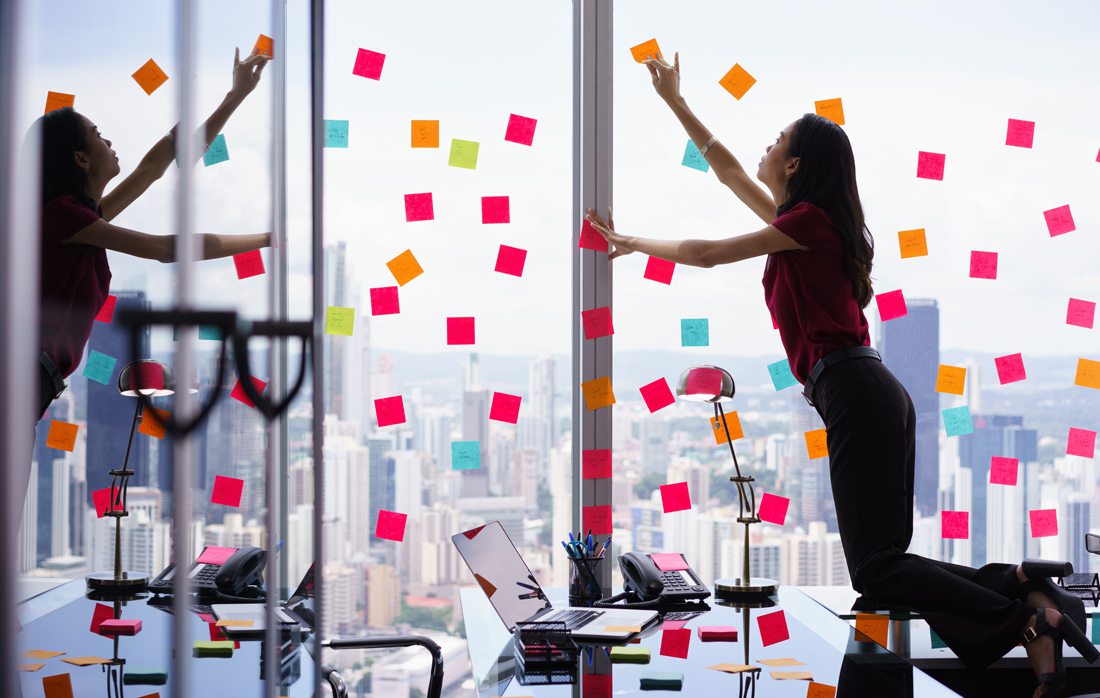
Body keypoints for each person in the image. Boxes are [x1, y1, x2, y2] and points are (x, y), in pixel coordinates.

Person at [584, 51, 1098, 697]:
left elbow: (707, 254)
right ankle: (1019, 585)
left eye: (777, 142)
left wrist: (631, 242)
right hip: (865, 390)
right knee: (885, 563)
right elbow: (727, 170)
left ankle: (1026, 615)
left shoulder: (807, 224)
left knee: (877, 570)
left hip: (856, 390)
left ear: (795, 164)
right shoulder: (801, 222)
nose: (765, 148)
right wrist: (674, 99)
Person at [35, 47, 272, 423]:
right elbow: (165, 248)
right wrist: (268, 239)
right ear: (81, 159)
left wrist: (236, 95)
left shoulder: (80, 222)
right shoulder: (63, 218)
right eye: (98, 135)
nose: (109, 142)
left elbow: (155, 164)